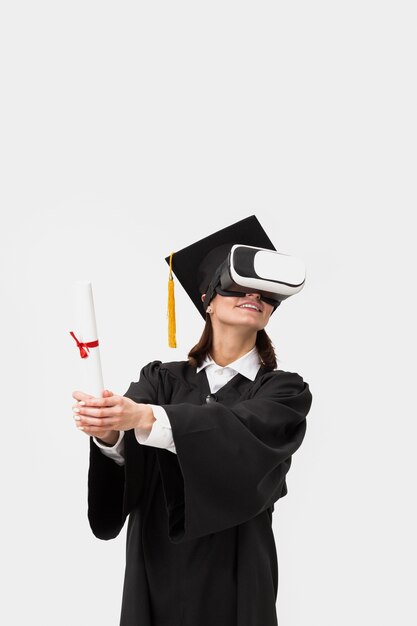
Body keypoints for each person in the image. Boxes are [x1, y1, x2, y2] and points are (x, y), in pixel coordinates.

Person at [72, 216, 313, 626]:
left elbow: (242, 433)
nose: (254, 295)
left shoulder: (284, 393)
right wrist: (111, 433)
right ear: (208, 298)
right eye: (237, 285)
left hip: (237, 567)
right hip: (158, 562)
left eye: (267, 293)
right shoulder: (160, 378)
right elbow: (129, 451)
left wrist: (145, 417)